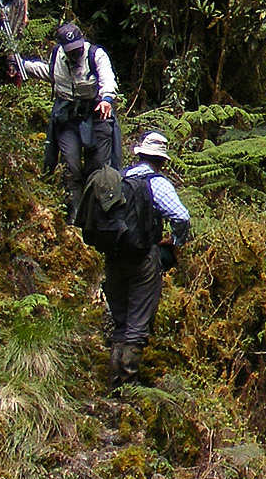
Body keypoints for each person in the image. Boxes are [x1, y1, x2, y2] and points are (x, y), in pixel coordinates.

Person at [96, 132, 193, 385]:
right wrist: (176, 241)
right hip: (143, 259)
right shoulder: (156, 183)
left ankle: (114, 380)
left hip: (114, 256)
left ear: (139, 155)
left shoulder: (120, 178)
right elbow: (181, 217)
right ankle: (128, 381)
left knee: (120, 320)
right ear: (161, 161)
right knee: (138, 320)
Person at [25, 22, 123, 210]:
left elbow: (108, 79)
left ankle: (95, 213)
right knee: (71, 167)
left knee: (98, 168)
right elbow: (50, 73)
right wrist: (23, 66)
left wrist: (106, 99)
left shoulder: (96, 55)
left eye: (77, 49)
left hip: (96, 114)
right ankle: (74, 213)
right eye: (70, 50)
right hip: (68, 117)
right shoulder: (57, 55)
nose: (74, 53)